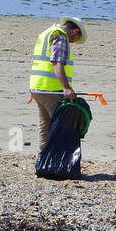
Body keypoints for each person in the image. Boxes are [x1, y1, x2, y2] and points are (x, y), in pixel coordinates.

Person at [28, 16, 87, 150]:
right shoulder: (60, 37)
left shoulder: (47, 32)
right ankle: (57, 161)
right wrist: (66, 88)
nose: (72, 42)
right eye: (76, 39)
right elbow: (57, 63)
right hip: (50, 89)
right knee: (61, 126)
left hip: (37, 86)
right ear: (75, 31)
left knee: (45, 124)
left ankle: (43, 160)